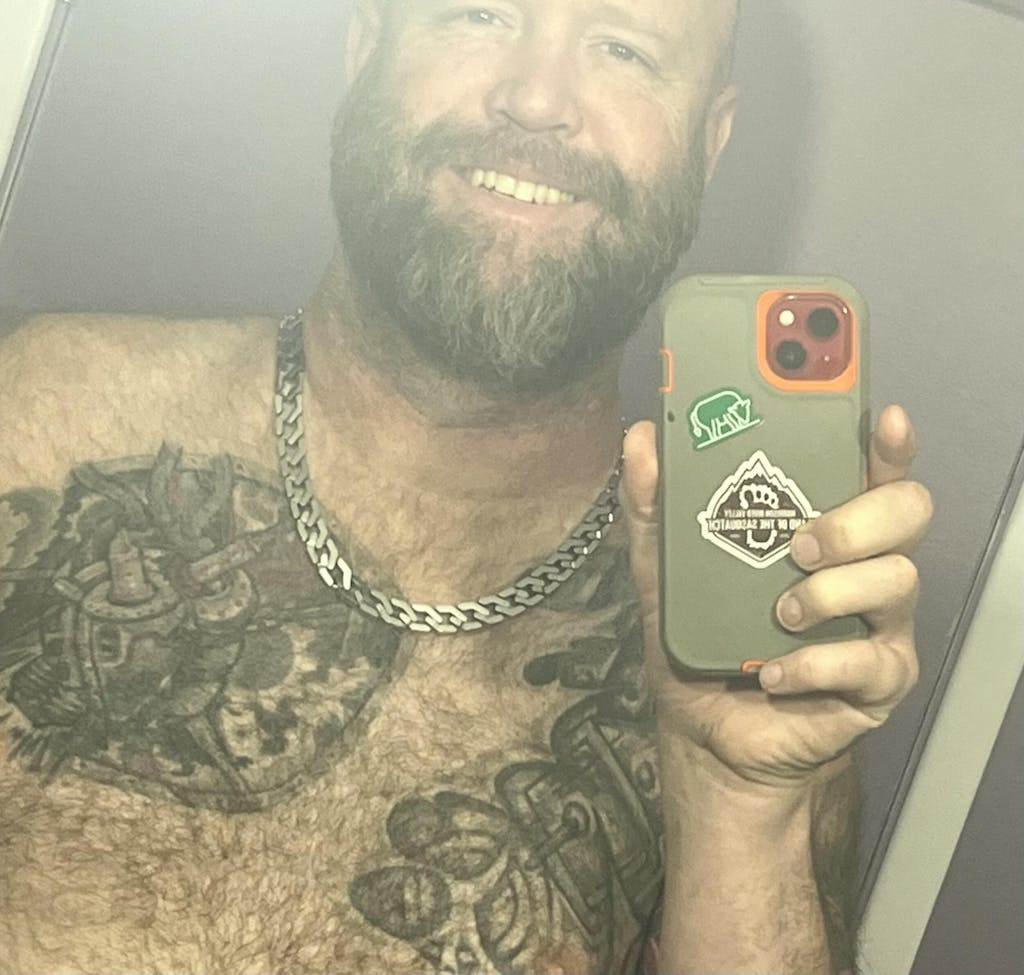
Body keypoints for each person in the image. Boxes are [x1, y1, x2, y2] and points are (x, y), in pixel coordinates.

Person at [0, 0, 932, 972]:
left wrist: (738, 804)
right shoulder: (38, 411)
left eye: (622, 49)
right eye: (478, 14)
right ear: (367, 47)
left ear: (709, 138)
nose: (536, 98)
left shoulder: (754, 658)